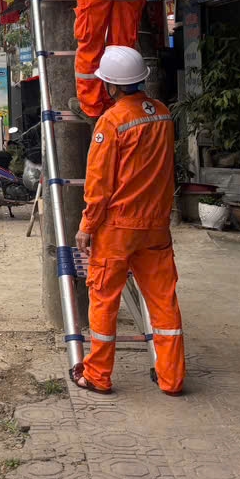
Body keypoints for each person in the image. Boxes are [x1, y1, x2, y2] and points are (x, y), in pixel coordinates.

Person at [73, 46, 184, 396]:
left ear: (110, 85)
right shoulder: (163, 114)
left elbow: (99, 184)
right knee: (163, 302)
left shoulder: (112, 122)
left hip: (118, 228)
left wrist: (87, 226)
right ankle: (171, 378)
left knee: (104, 299)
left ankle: (97, 375)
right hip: (156, 226)